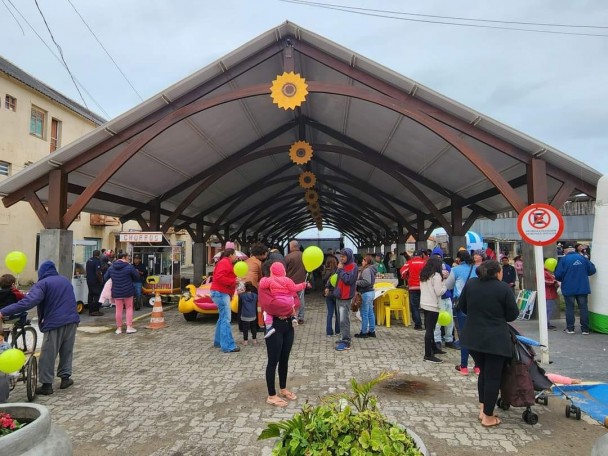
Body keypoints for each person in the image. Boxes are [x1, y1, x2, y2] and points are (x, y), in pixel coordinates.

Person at [0, 260, 80, 395]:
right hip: (72, 319)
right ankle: (65, 378)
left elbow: (28, 302)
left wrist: (4, 311)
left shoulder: (43, 284)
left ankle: (47, 385)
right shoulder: (65, 280)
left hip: (55, 322)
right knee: (67, 349)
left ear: (42, 272)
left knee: (48, 353)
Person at [458, 260, 519, 428]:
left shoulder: (471, 284)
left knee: (483, 373)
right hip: (495, 340)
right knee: (493, 377)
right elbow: (512, 314)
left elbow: (461, 306)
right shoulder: (503, 288)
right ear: (497, 272)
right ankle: (488, 417)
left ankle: (483, 408)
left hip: (473, 338)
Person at [260, 266, 301, 407]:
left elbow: (296, 301)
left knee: (285, 358)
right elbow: (270, 306)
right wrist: (289, 308)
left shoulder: (286, 283)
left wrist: (288, 307)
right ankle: (271, 395)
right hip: (274, 326)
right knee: (273, 360)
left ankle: (283, 388)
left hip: (288, 325)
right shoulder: (264, 286)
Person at [446, 251, 480, 376]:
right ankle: (478, 366)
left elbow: (448, 285)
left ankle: (464, 367)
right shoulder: (478, 269)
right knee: (476, 336)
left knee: (464, 336)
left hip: (462, 305)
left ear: (459, 259)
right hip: (476, 305)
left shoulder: (456, 269)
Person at [554, 244, 596, 335]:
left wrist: (564, 278)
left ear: (565, 251)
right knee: (583, 308)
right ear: (574, 249)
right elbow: (592, 270)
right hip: (582, 287)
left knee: (569, 308)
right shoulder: (583, 258)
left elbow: (558, 275)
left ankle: (570, 328)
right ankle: (585, 329)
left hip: (568, 288)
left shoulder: (564, 260)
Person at [258, 262, 307, 338]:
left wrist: (263, 279)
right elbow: (295, 292)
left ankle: (268, 326)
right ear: (284, 271)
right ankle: (294, 317)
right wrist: (304, 285)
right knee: (292, 303)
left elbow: (270, 305)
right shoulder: (287, 280)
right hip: (288, 302)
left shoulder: (269, 281)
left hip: (278, 309)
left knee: (267, 313)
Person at [210, 248, 240, 352]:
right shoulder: (225, 263)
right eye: (235, 254)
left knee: (222, 317)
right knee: (226, 319)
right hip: (221, 293)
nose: (236, 257)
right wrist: (233, 281)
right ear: (230, 255)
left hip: (219, 292)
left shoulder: (223, 262)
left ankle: (218, 341)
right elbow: (219, 277)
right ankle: (228, 345)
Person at [419, 256, 447, 363]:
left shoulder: (424, 275)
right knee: (430, 330)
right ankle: (428, 354)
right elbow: (439, 291)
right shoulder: (436, 276)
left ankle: (434, 348)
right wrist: (444, 284)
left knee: (429, 327)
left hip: (425, 303)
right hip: (433, 305)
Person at [430, 247, 458, 350]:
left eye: (439, 257)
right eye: (435, 256)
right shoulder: (430, 269)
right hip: (437, 298)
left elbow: (452, 281)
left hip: (447, 297)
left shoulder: (447, 267)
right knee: (438, 321)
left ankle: (449, 339)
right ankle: (437, 340)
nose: (438, 258)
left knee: (449, 320)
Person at [105, 252, 139, 335]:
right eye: (128, 257)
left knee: (118, 310)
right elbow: (136, 276)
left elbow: (105, 277)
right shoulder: (129, 267)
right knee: (129, 308)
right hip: (128, 291)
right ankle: (129, 327)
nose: (129, 259)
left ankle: (119, 328)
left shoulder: (111, 267)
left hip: (116, 291)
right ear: (124, 257)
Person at [334, 248, 358, 351]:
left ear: (348, 256)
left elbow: (348, 280)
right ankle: (343, 337)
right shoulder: (342, 266)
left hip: (346, 296)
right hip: (339, 295)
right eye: (340, 256)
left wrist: (340, 270)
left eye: (343, 256)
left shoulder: (353, 267)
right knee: (340, 319)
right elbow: (336, 278)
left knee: (344, 320)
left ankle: (346, 341)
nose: (341, 258)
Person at [399, 250, 427, 330]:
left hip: (413, 287)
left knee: (414, 306)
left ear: (413, 256)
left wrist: (406, 277)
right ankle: (427, 324)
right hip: (424, 287)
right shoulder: (424, 263)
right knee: (425, 306)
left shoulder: (409, 262)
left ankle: (418, 325)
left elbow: (402, 271)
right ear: (421, 255)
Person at [285, 240, 307, 324]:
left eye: (290, 246)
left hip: (290, 282)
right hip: (301, 281)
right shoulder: (304, 255)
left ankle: (292, 316)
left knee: (291, 300)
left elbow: (285, 269)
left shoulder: (288, 257)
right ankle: (301, 317)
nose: (289, 248)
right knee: (301, 299)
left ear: (293, 246)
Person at [354, 254, 377, 339]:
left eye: (363, 260)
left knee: (364, 314)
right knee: (370, 313)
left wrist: (356, 282)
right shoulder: (372, 269)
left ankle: (363, 332)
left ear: (366, 261)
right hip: (370, 293)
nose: (362, 262)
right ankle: (372, 331)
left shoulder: (367, 270)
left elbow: (366, 281)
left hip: (365, 293)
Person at [322, 255, 340, 336]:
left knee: (330, 313)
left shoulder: (325, 272)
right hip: (336, 293)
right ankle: (337, 331)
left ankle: (329, 332)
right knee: (337, 313)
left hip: (328, 294)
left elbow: (323, 280)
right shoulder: (338, 271)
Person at [85, 250, 104, 316]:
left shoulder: (89, 260)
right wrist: (101, 280)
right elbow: (98, 272)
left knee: (90, 295)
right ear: (99, 255)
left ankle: (90, 310)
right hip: (95, 281)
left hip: (89, 280)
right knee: (97, 295)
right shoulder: (97, 261)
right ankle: (95, 310)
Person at [544, 260, 559, 330]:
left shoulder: (547, 272)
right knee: (549, 309)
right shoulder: (544, 272)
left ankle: (547, 322)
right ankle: (546, 323)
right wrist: (554, 281)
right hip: (548, 293)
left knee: (549, 308)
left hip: (549, 293)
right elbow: (545, 281)